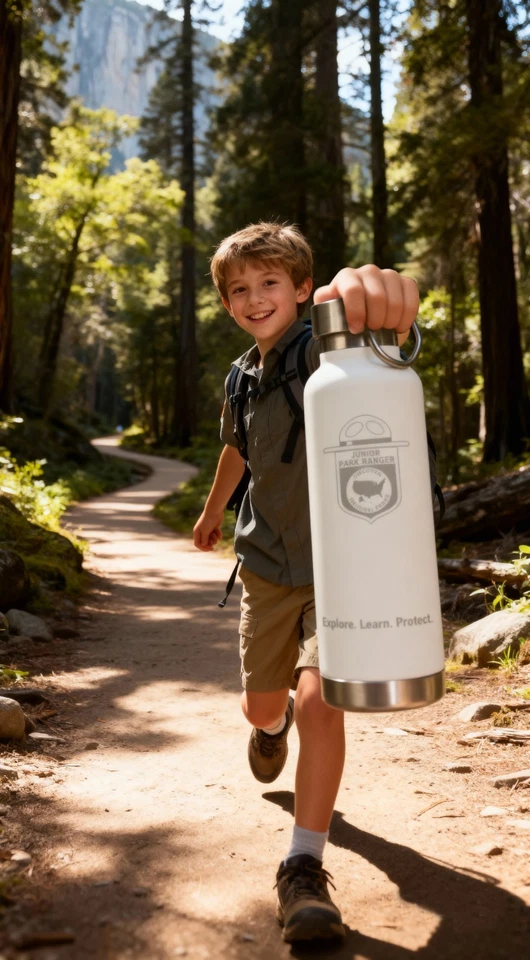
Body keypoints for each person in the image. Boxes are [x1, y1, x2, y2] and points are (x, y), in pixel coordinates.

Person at [193, 222, 419, 944]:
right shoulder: (241, 374)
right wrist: (209, 513)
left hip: (340, 566)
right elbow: (236, 449)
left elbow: (377, 340)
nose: (255, 298)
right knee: (264, 707)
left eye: (269, 283)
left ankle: (303, 866)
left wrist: (370, 301)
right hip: (264, 562)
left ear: (298, 289)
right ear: (227, 304)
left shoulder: (324, 350)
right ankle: (270, 724)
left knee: (323, 696)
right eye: (239, 289)